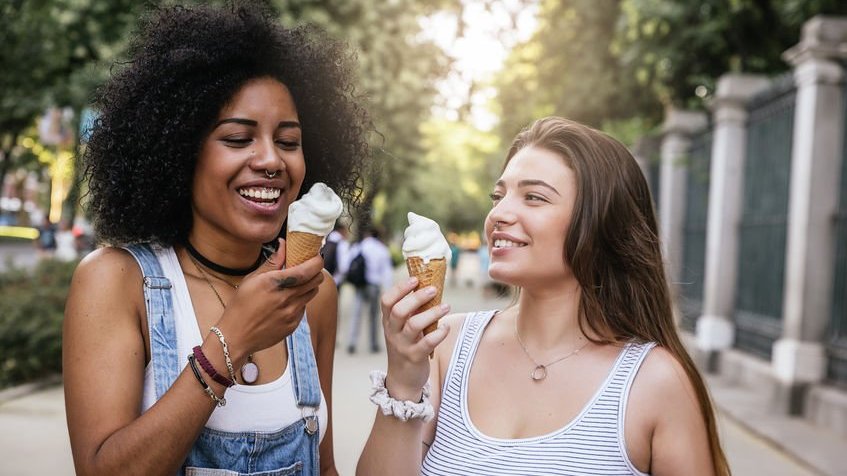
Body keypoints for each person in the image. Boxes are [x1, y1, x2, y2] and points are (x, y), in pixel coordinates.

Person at [63, 3, 368, 475]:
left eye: (288, 142)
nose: (271, 160)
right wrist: (234, 339)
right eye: (237, 138)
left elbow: (323, 468)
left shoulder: (315, 295)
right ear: (180, 150)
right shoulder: (116, 282)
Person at [357, 117, 731, 475]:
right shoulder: (444, 347)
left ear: (600, 222)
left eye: (533, 197)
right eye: (498, 196)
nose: (499, 213)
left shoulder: (656, 382)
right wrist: (404, 382)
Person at [346, 226, 394, 354]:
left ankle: (352, 342)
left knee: (356, 313)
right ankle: (373, 344)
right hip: (374, 286)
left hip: (360, 284)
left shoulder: (359, 247)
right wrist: (387, 289)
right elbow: (387, 272)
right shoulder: (382, 249)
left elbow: (347, 264)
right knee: (373, 316)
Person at [323, 221, 350, 288]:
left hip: (322, 273)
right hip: (335, 277)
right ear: (342, 230)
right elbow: (343, 266)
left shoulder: (326, 239)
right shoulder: (342, 243)